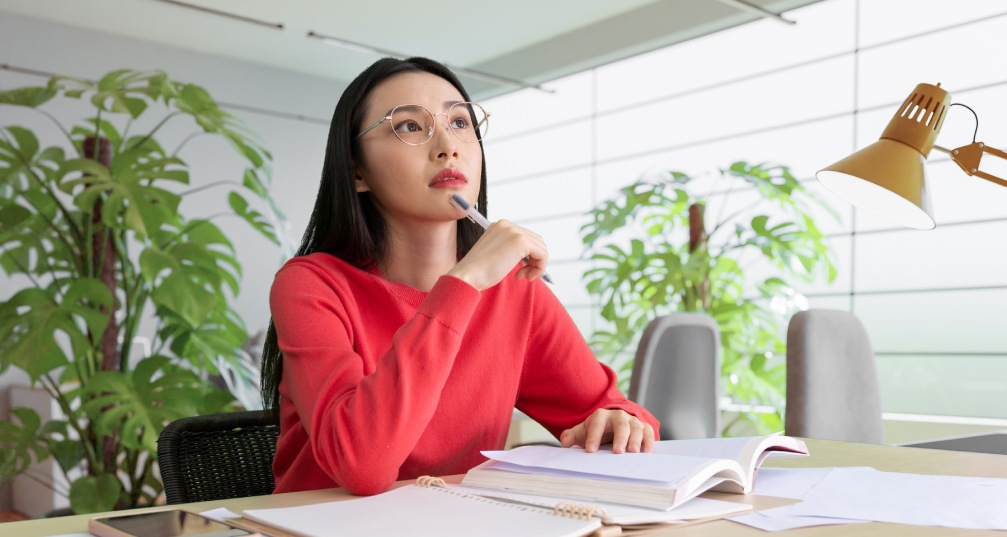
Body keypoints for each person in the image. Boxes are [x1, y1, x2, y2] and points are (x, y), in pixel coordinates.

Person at [260, 56, 659, 496]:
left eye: (461, 122)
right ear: (357, 171)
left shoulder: (515, 293)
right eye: (409, 126)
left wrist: (621, 423)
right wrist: (464, 285)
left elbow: (610, 410)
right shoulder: (311, 285)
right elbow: (361, 465)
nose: (447, 145)